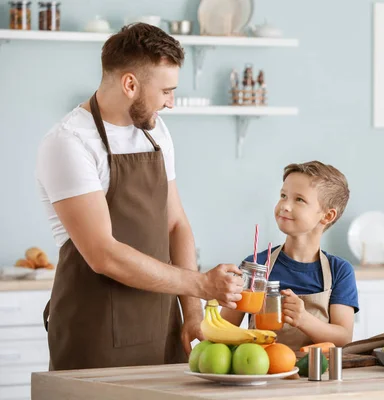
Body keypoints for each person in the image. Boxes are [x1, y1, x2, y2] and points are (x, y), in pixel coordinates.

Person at [35, 23, 243, 371]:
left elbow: (175, 224)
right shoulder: (69, 143)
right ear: (130, 84)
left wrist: (192, 312)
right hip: (95, 332)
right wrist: (202, 284)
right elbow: (104, 255)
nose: (171, 103)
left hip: (161, 326)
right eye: (166, 91)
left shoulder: (154, 129)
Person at [221, 161, 359, 350]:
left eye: (299, 199)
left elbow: (344, 337)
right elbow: (224, 329)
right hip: (261, 373)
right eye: (283, 195)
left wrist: (303, 319)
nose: (285, 205)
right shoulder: (255, 265)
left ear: (327, 216)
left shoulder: (339, 271)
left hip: (316, 374)